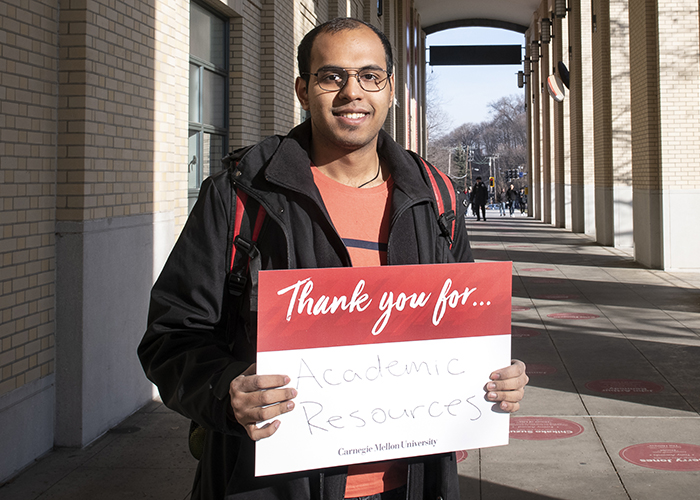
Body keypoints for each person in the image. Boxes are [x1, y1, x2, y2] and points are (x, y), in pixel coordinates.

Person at [138, 18, 527, 500]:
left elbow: (464, 335)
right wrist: (225, 388)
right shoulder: (241, 196)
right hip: (274, 484)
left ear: (390, 90)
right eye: (331, 76)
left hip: (414, 483)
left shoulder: (436, 197)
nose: (352, 92)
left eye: (370, 76)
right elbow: (170, 339)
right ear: (303, 90)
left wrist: (497, 377)